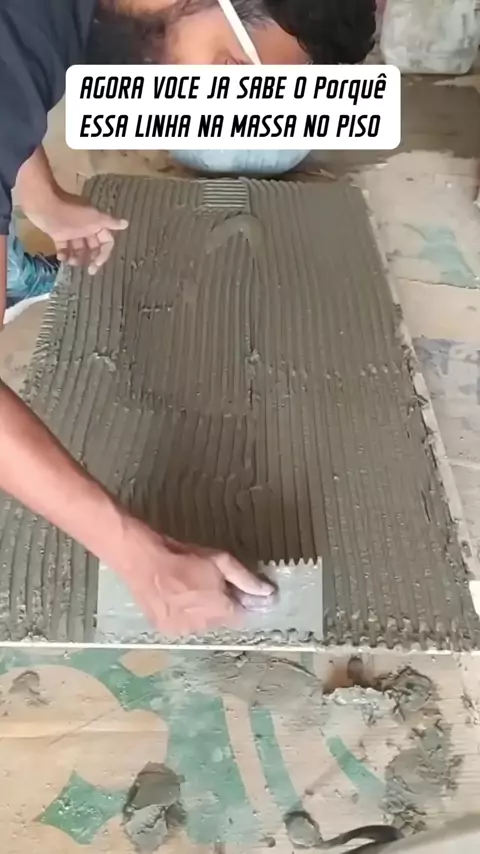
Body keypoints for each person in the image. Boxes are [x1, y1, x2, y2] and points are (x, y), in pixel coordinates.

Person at [0, 0, 376, 635]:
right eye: (233, 74)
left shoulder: (99, 24)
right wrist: (133, 552)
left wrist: (45, 200)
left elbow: (18, 87)